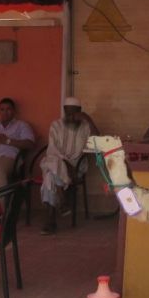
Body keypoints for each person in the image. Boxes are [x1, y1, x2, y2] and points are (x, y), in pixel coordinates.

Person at [39, 96, 99, 235]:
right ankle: (63, 199)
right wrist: (65, 164)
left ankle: (51, 219)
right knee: (52, 169)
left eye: (74, 113)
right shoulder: (56, 125)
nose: (71, 116)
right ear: (64, 111)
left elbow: (98, 140)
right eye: (68, 112)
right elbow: (52, 149)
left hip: (77, 166)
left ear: (80, 111)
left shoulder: (85, 126)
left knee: (50, 173)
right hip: (60, 163)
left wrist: (88, 119)